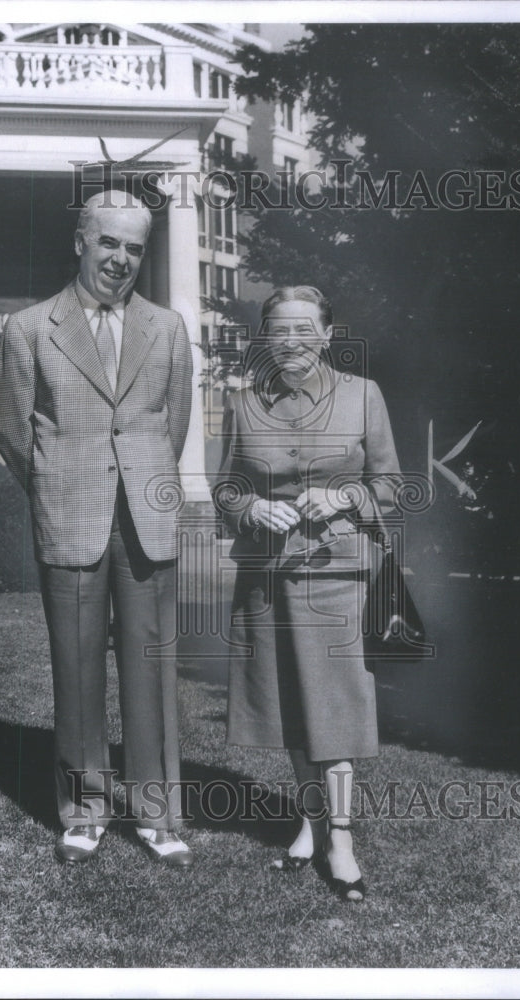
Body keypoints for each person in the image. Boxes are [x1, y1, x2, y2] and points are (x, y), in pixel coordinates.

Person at [0, 189, 194, 867]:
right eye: (109, 242)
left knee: (152, 671)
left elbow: (174, 425)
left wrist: (144, 485)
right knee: (76, 670)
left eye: (135, 248)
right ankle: (83, 811)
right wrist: (55, 485)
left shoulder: (167, 328)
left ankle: (159, 815)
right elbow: (13, 429)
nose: (121, 259)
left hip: (147, 523)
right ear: (81, 241)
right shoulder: (29, 329)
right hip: (71, 518)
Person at [213, 285, 400, 901]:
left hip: (336, 573)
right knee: (290, 707)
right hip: (265, 577)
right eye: (278, 331)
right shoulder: (241, 404)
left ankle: (340, 843)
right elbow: (225, 490)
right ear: (264, 339)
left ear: (325, 335)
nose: (290, 342)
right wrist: (250, 509)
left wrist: (344, 496)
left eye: (303, 330)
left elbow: (392, 487)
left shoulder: (362, 395)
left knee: (336, 711)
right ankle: (310, 822)